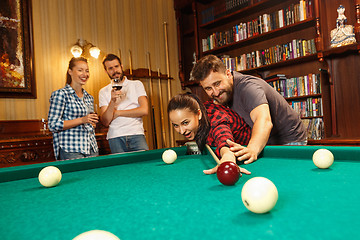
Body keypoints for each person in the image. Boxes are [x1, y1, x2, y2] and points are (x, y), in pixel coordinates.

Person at [190, 54, 307, 164]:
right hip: (267, 141)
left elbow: (264, 121)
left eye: (217, 84)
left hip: (290, 140)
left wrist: (252, 148)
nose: (215, 92)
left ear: (228, 74)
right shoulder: (222, 96)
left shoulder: (248, 88)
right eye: (208, 88)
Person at [168, 93, 251, 175]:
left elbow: (224, 142)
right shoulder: (200, 110)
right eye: (176, 125)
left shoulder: (216, 121)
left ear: (199, 114)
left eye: (185, 123)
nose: (181, 131)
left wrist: (228, 160)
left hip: (252, 151)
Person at [48, 57, 99, 160]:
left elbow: (90, 123)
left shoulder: (89, 97)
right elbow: (52, 125)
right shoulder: (60, 95)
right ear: (70, 71)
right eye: (80, 70)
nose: (85, 74)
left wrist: (91, 124)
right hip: (71, 149)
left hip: (91, 147)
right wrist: (82, 120)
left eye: (87, 70)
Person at [99, 54, 149, 153]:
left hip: (136, 134)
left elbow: (144, 110)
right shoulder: (103, 91)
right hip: (115, 137)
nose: (115, 71)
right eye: (110, 68)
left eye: (116, 67)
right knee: (120, 169)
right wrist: (112, 101)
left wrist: (118, 113)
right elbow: (105, 121)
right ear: (106, 71)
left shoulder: (136, 84)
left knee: (144, 166)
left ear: (121, 66)